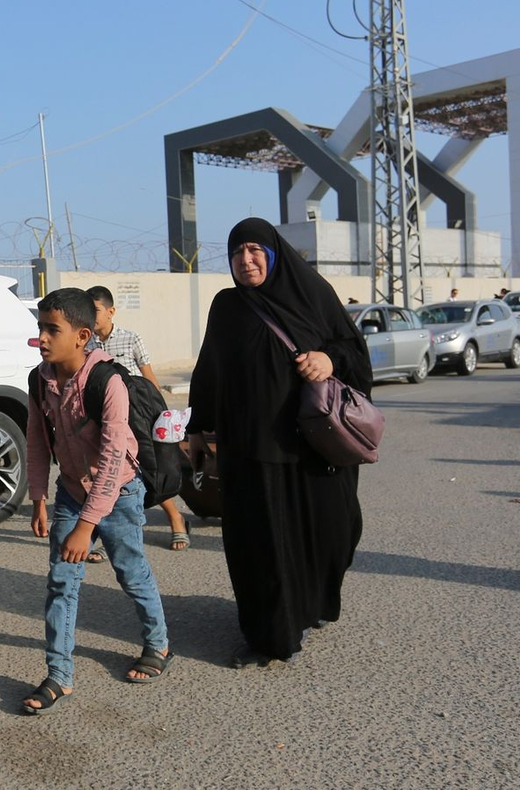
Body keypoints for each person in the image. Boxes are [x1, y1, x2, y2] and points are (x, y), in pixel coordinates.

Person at [187, 217, 371, 668]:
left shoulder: (312, 295)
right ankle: (272, 634)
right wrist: (197, 429)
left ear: (274, 254)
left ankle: (315, 601)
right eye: (236, 253)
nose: (245, 260)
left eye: (254, 250)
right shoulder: (228, 306)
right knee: (260, 544)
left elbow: (355, 351)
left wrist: (329, 359)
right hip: (250, 451)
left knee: (332, 531)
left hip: (314, 448)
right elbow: (210, 369)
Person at [23, 288, 171, 714]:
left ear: (82, 335)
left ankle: (158, 645)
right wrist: (38, 498)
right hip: (71, 489)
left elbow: (110, 460)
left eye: (53, 330)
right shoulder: (40, 379)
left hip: (119, 492)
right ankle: (59, 674)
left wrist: (87, 527)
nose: (43, 338)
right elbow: (36, 439)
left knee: (131, 572)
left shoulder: (109, 382)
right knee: (61, 584)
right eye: (40, 328)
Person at [84, 285, 191, 552]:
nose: (91, 316)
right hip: (103, 417)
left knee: (147, 470)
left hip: (137, 417)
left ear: (111, 311)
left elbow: (149, 377)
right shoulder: (85, 344)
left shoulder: (131, 339)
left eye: (95, 310)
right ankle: (97, 535)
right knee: (104, 473)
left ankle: (176, 519)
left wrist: (162, 416)